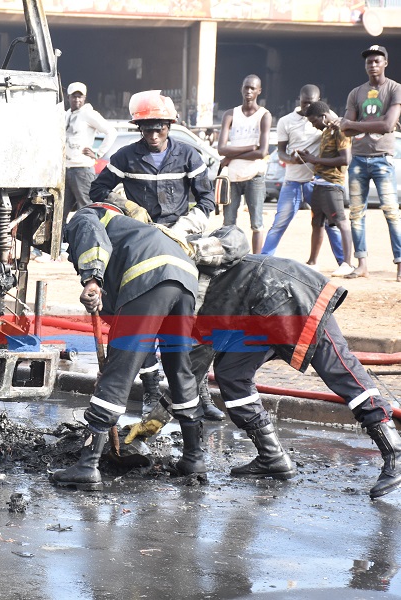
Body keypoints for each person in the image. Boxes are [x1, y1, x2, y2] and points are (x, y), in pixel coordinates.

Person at [125, 226, 401, 499]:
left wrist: (196, 249)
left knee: (338, 371)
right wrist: (155, 420)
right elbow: (188, 373)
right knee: (231, 374)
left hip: (291, 294)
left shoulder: (184, 252)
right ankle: (272, 457)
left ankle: (395, 453)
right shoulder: (177, 310)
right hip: (254, 318)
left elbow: (236, 237)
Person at [49, 202, 206, 490]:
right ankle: (194, 458)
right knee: (179, 368)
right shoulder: (137, 231)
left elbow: (90, 237)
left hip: (149, 277)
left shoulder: (90, 213)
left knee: (117, 375)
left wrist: (91, 279)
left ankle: (87, 466)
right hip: (184, 279)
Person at [88, 90, 223, 421]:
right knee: (141, 317)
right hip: (142, 244)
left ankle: (199, 393)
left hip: (182, 239)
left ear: (170, 125)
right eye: (146, 128)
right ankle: (150, 393)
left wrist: (183, 226)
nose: (153, 134)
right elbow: (97, 191)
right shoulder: (123, 158)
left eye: (159, 127)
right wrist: (126, 207)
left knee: (193, 320)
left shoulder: (189, 157)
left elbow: (207, 200)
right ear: (138, 128)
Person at [260, 85, 346, 271]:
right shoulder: (286, 121)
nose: (308, 107)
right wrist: (291, 159)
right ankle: (263, 260)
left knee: (329, 224)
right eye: (305, 102)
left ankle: (344, 263)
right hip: (293, 180)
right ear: (298, 99)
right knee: (280, 222)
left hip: (317, 181)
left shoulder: (326, 116)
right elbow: (280, 152)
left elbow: (341, 135)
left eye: (312, 103)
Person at [340, 44, 401, 282]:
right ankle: (362, 263)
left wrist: (357, 125)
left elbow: (388, 125)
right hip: (358, 160)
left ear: (385, 63)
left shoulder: (395, 89)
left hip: (382, 159)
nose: (372, 65)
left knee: (391, 213)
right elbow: (345, 130)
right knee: (356, 213)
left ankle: (399, 263)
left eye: (377, 61)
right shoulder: (356, 93)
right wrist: (370, 123)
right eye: (369, 62)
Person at [297, 100, 354, 275]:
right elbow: (326, 158)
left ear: (323, 116)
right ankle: (313, 262)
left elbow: (345, 160)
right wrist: (309, 157)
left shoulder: (340, 130)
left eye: (314, 122)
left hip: (332, 185)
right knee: (317, 224)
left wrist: (315, 160)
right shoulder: (327, 131)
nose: (314, 126)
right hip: (320, 184)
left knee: (341, 222)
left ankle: (347, 263)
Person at [218, 74, 272, 254]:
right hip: (232, 176)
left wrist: (232, 154)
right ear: (241, 88)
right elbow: (221, 149)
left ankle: (257, 260)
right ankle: (229, 257)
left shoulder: (264, 115)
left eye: (252, 88)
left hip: (254, 175)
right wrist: (250, 147)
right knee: (228, 223)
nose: (248, 91)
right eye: (246, 87)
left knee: (256, 223)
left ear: (259, 91)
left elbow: (262, 152)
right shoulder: (230, 114)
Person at [63, 82, 118, 220]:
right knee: (60, 210)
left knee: (86, 209)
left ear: (85, 97)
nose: (77, 100)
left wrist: (98, 153)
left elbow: (111, 131)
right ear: (68, 97)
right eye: (74, 97)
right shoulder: (66, 114)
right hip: (66, 170)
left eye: (80, 97)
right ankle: (60, 240)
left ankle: (90, 239)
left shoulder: (88, 114)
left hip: (82, 170)